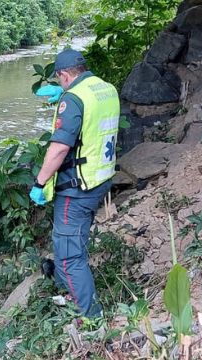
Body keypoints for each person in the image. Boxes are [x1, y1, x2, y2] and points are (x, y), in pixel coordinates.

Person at [29, 48, 120, 321]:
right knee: (75, 241)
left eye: (60, 82)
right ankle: (72, 287)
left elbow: (58, 149)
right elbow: (93, 122)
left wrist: (40, 181)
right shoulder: (105, 89)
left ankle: (91, 316)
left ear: (65, 75)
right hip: (101, 179)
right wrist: (64, 99)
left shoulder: (74, 99)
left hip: (78, 188)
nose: (60, 86)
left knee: (69, 256)